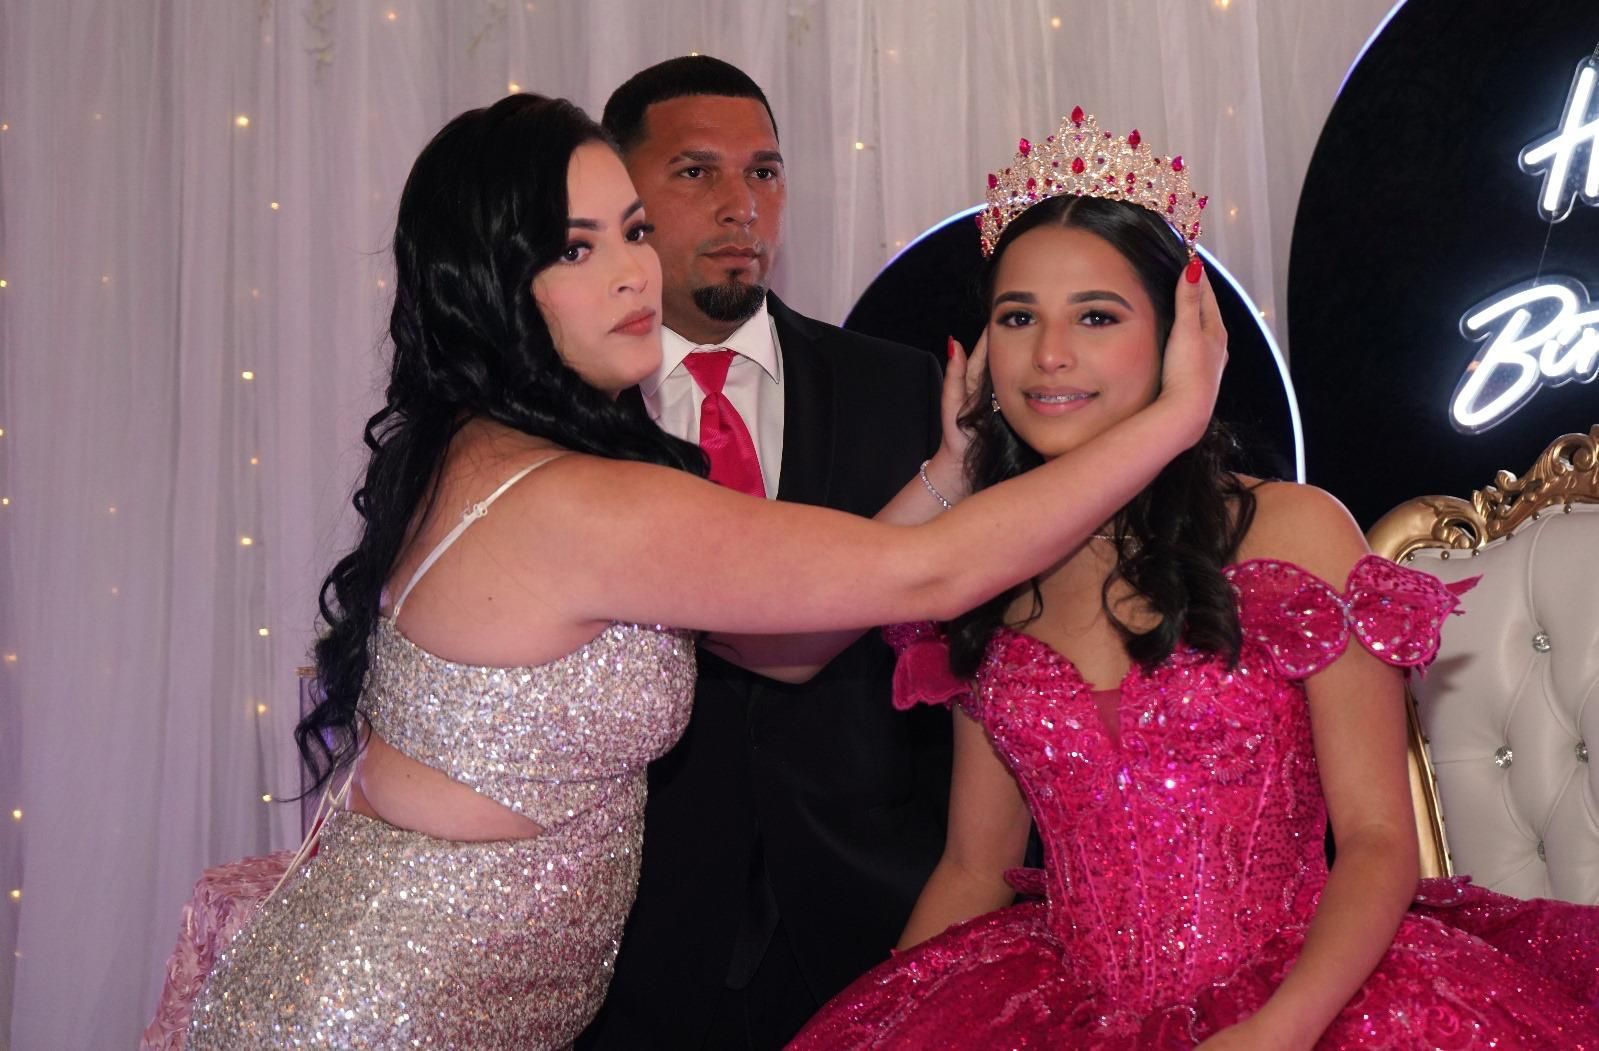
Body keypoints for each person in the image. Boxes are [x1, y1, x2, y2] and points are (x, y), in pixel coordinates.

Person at [182, 95, 1225, 1049]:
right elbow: (928, 579)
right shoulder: (573, 502)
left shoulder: (490, 451)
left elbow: (786, 653)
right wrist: (1175, 416)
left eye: (632, 232)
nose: (632, 273)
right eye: (576, 249)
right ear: (491, 286)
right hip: (385, 1016)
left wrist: (947, 474)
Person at [788, 112, 1599, 1050]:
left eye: (1096, 316)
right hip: (1061, 1004)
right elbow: (974, 867)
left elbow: (1379, 839)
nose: (1049, 353)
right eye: (1017, 317)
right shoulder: (985, 563)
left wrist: (1279, 1029)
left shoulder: (1292, 529)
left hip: (1311, 998)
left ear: (1181, 337)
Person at [575, 55, 953, 1050]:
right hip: (626, 942)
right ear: (620, 196)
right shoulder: (560, 416)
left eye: (765, 172)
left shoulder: (902, 388)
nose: (741, 204)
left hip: (874, 913)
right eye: (696, 171)